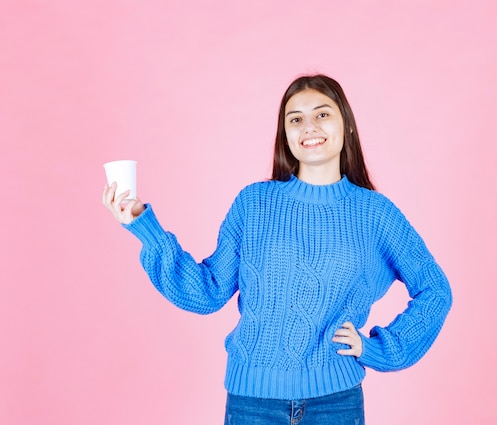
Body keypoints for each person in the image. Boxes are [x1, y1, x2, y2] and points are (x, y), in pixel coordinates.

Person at [102, 74, 452, 424]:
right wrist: (143, 227)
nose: (309, 127)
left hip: (336, 404)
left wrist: (377, 349)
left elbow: (435, 290)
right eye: (295, 119)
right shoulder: (253, 204)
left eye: (322, 114)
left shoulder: (375, 214)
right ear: (285, 135)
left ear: (346, 125)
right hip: (252, 404)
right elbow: (207, 292)